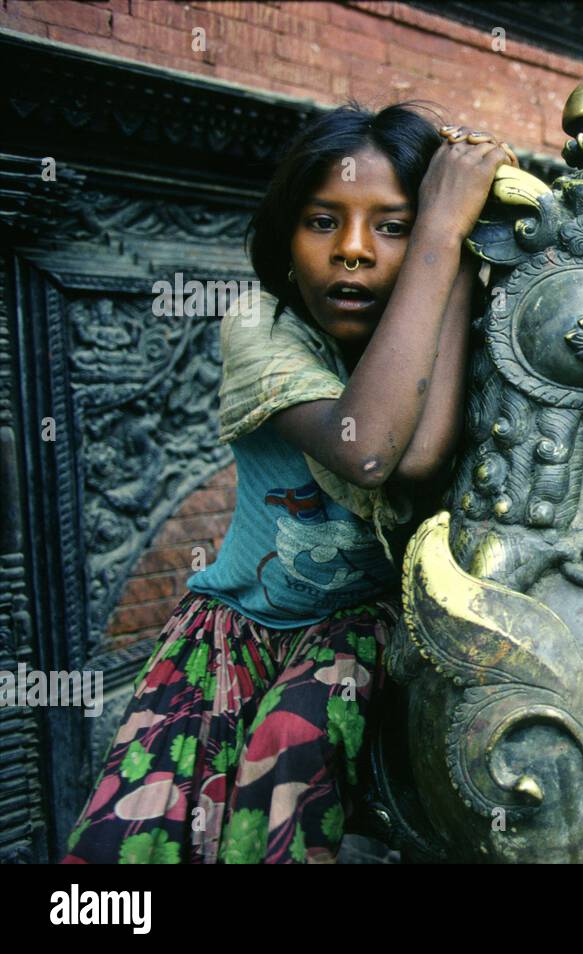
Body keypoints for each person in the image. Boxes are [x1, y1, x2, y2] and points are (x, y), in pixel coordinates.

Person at [60, 102, 517, 863]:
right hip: (229, 639)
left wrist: (457, 257)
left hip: (358, 635)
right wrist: (439, 233)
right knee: (127, 840)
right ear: (285, 235)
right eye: (322, 221)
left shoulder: (449, 327)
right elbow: (369, 450)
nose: (354, 252)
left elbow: (420, 457)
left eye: (394, 225)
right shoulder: (260, 327)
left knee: (281, 779)